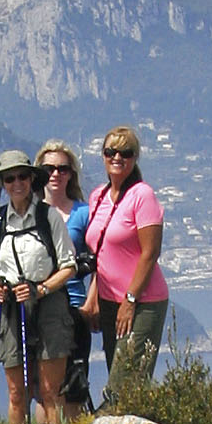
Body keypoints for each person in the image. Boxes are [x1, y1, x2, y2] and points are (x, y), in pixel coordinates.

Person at [0, 146, 77, 424]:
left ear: (31, 180)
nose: (17, 184)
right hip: (11, 307)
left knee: (50, 391)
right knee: (16, 394)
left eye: (22, 177)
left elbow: (68, 265)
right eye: (9, 179)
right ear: (2, 184)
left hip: (49, 304)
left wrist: (42, 290)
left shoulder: (49, 218)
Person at [80, 126, 168, 379]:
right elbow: (101, 254)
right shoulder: (98, 196)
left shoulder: (142, 195)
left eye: (125, 153)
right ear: (103, 156)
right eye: (111, 152)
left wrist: (130, 301)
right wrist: (94, 297)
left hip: (142, 302)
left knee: (125, 382)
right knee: (116, 374)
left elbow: (150, 253)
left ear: (134, 158)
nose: (117, 158)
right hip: (108, 302)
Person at [35, 142, 96, 412]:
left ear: (71, 174)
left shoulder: (83, 213)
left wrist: (90, 304)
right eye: (49, 169)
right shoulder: (31, 213)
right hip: (36, 304)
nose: (55, 174)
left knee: (73, 382)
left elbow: (98, 262)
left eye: (62, 169)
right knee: (42, 385)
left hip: (73, 305)